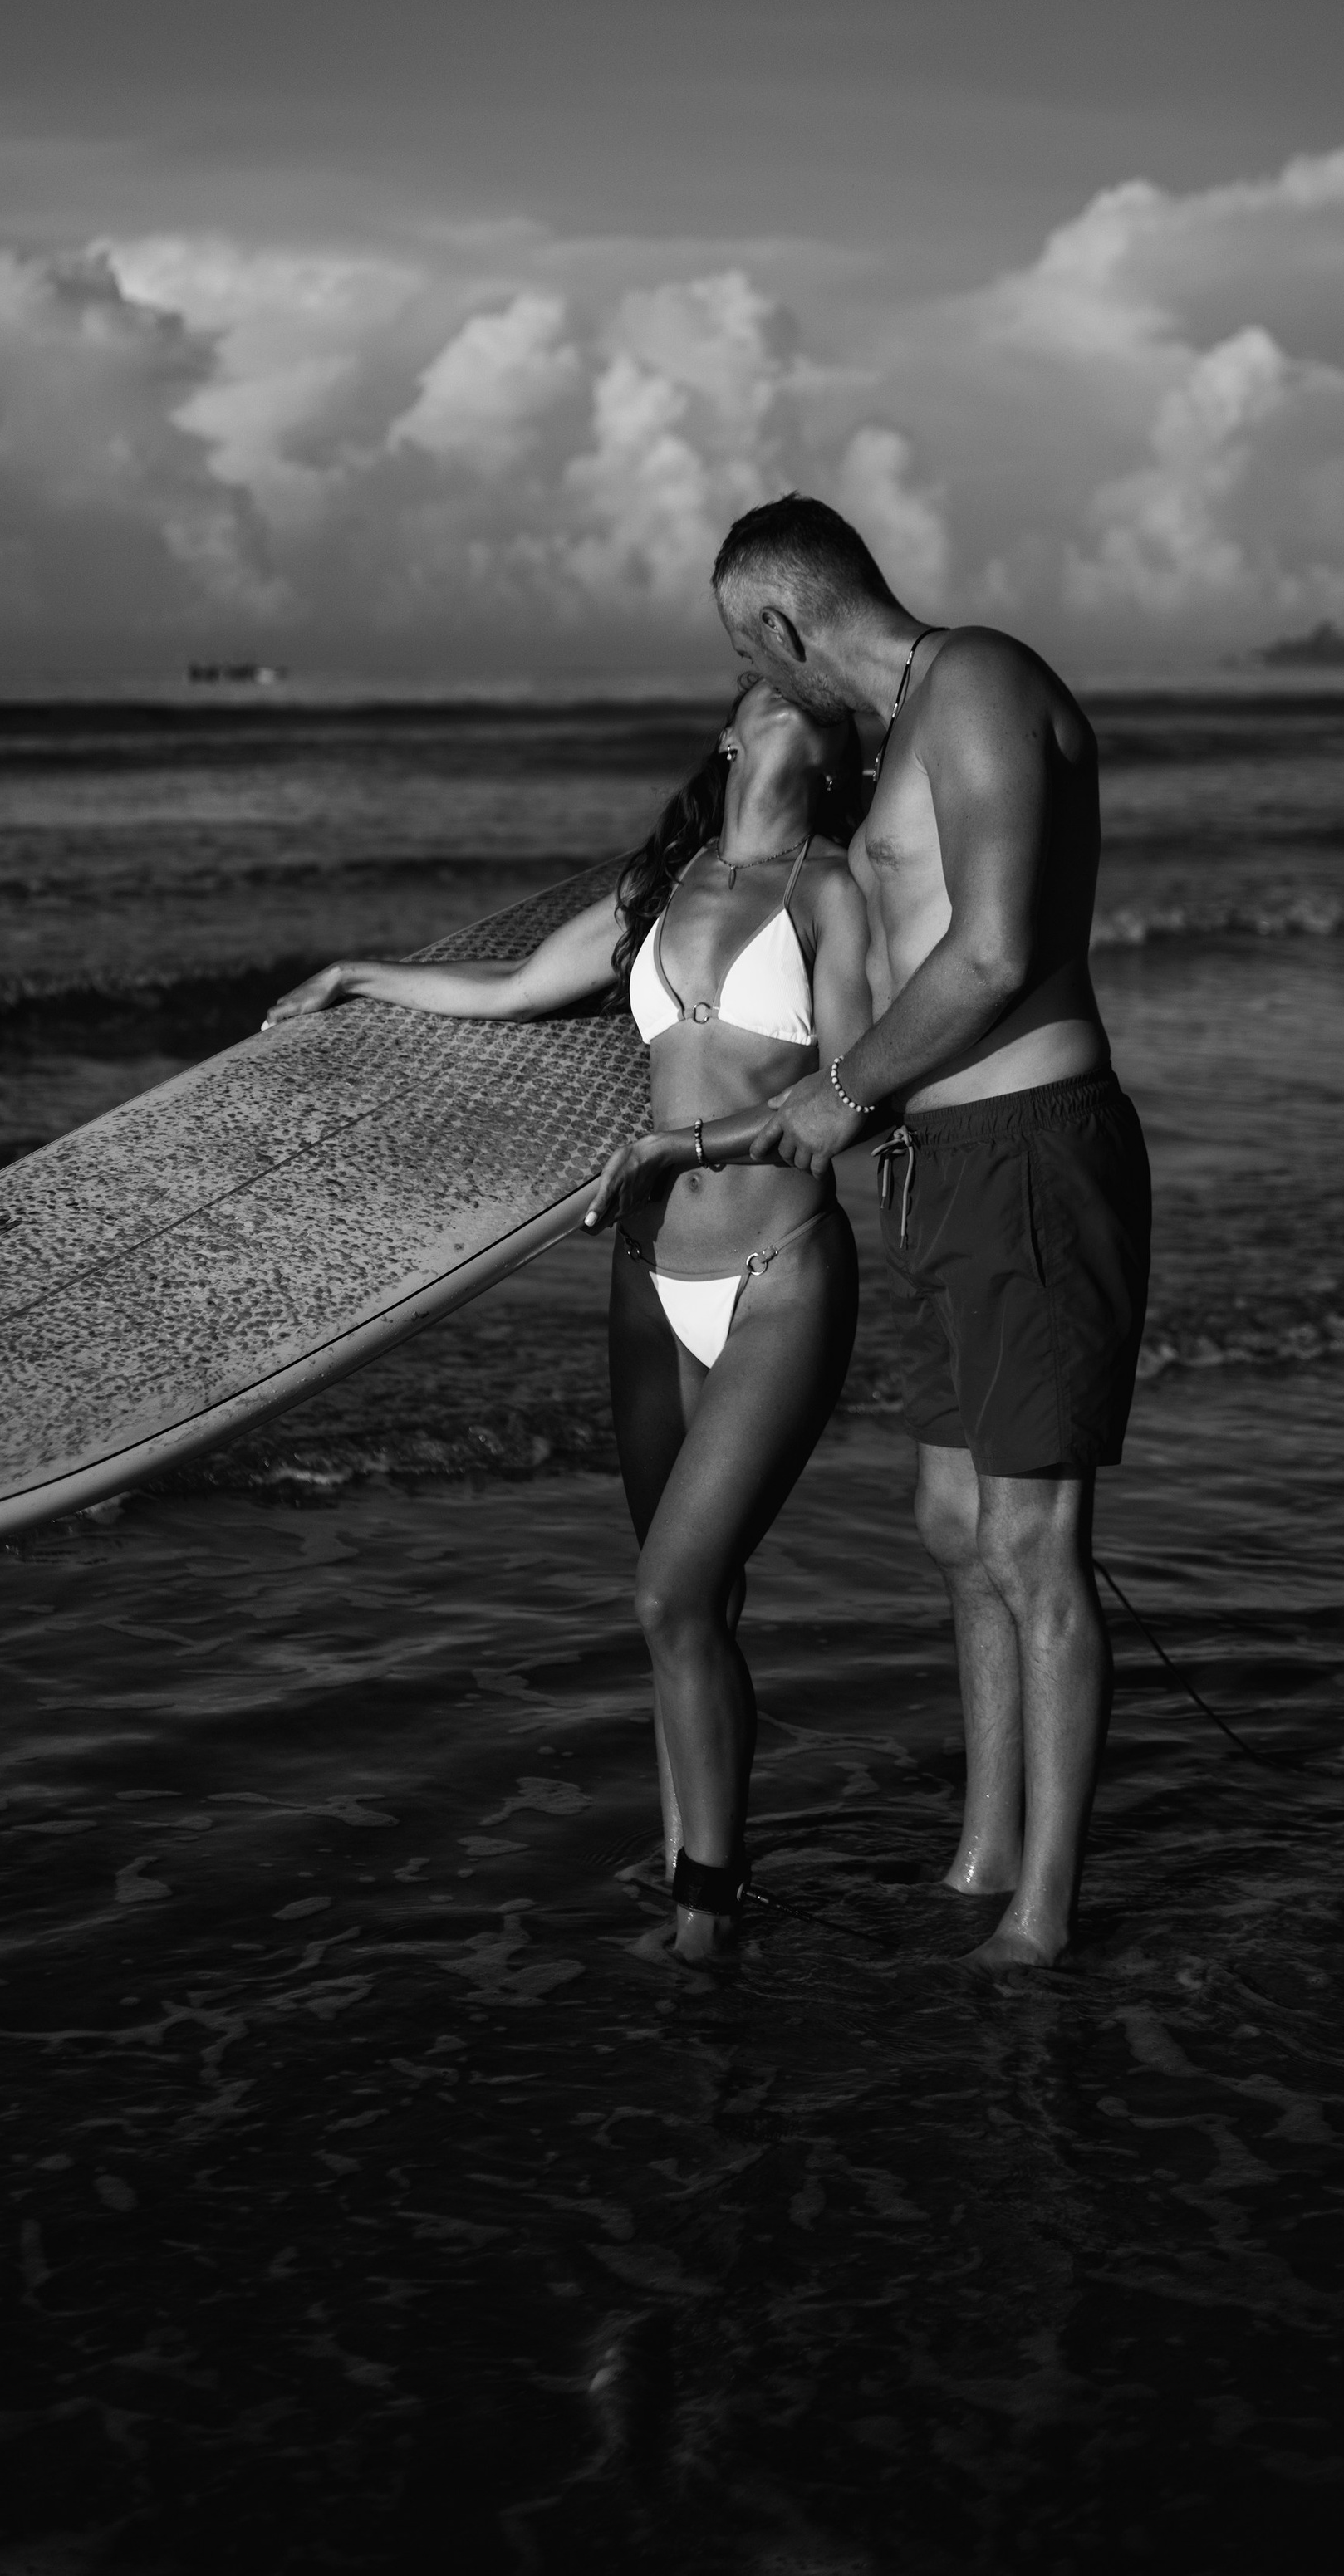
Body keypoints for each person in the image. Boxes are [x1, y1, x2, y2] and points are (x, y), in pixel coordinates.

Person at [262, 677, 873, 1961]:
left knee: (669, 1595)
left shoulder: (832, 893)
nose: (787, 698)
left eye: (811, 698)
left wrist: (683, 1141)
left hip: (777, 1278)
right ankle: (689, 1873)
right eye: (763, 690)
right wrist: (355, 974)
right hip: (648, 1277)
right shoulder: (660, 887)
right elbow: (513, 988)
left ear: (835, 754)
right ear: (728, 734)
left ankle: (706, 1923)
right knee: (688, 1607)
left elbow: (852, 1100)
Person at [714, 493, 1151, 1971]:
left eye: (750, 654)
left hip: (1030, 1149)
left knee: (1033, 1542)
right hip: (945, 1163)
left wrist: (843, 1092)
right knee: (957, 1524)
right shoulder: (907, 726)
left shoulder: (978, 681)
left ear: (785, 622)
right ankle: (982, 1858)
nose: (759, 685)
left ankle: (1043, 1917)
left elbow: (995, 948)